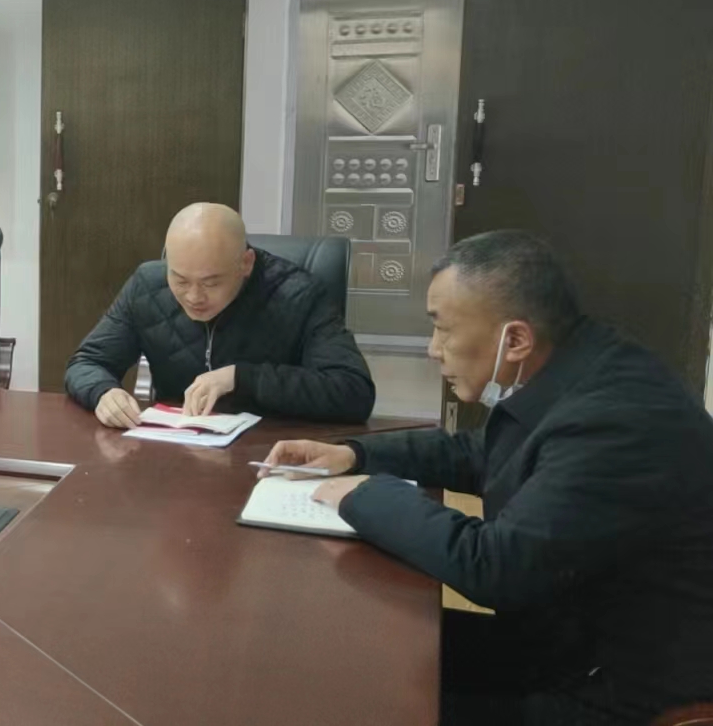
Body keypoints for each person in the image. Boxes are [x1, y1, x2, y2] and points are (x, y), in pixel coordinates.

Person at [262, 231, 713, 726]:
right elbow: (480, 453)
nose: (433, 349)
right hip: (564, 636)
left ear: (515, 339)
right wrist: (355, 454)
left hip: (620, 689)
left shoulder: (614, 423)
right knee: (355, 649)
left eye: (443, 330)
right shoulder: (579, 365)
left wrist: (367, 495)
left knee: (365, 706)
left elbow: (493, 567)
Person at [65, 202, 374, 426]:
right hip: (177, 448)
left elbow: (353, 392)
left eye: (211, 283)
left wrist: (241, 378)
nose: (194, 297)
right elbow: (88, 362)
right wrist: (103, 392)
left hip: (271, 451)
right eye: (180, 280)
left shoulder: (299, 295)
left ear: (246, 263)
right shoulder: (148, 285)